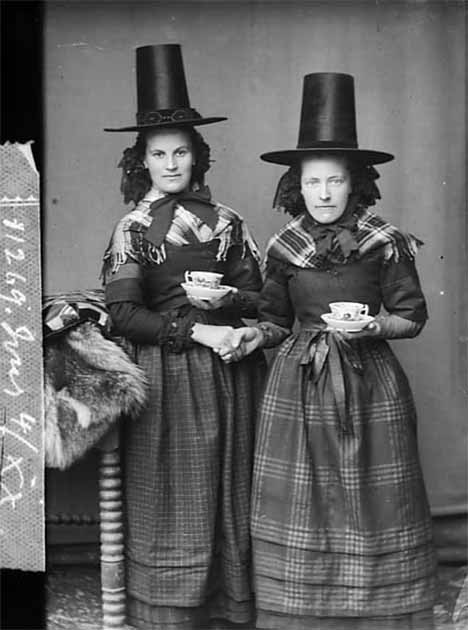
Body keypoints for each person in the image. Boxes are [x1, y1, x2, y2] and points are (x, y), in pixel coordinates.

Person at [217, 73, 436, 629]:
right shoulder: (284, 247)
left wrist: (373, 327)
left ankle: (376, 613)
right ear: (297, 186)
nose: (324, 193)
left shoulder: (385, 242)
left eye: (335, 181)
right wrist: (251, 336)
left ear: (354, 184)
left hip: (370, 379)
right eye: (313, 182)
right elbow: (274, 320)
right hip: (299, 382)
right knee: (304, 497)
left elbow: (412, 317)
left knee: (369, 495)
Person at [102, 44, 265, 630]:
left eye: (181, 151)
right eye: (158, 153)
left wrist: (230, 308)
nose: (171, 163)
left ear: (199, 155)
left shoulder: (227, 221)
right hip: (169, 375)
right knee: (176, 497)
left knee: (232, 489)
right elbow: (123, 314)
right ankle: (171, 614)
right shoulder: (133, 228)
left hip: (233, 372)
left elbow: (262, 299)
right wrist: (196, 329)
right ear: (141, 161)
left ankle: (231, 609)